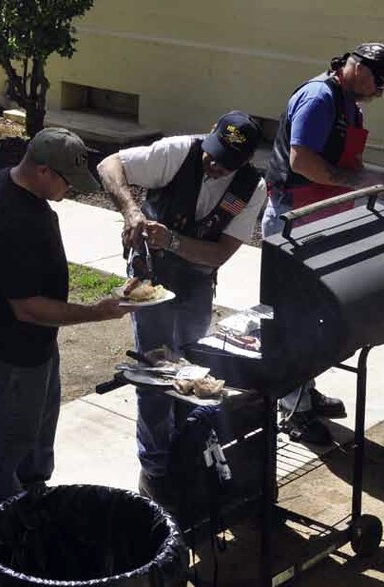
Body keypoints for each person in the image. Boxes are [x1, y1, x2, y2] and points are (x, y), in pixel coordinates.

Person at [97, 110, 268, 504]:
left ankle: (185, 453)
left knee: (191, 373)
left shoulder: (250, 187)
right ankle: (156, 470)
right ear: (209, 133)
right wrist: (132, 211)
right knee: (156, 376)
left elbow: (221, 253)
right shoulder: (178, 152)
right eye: (213, 152)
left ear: (243, 163)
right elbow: (110, 165)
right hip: (152, 281)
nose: (213, 164)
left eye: (225, 163)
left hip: (197, 282)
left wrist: (172, 241)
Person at [0, 127, 131, 512]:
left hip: (35, 343)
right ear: (42, 171)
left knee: (38, 424)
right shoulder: (15, 219)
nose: (70, 190)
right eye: (67, 181)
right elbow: (26, 307)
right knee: (9, 435)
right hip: (13, 348)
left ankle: (33, 491)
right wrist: (97, 312)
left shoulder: (5, 184)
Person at [262, 42, 384, 444]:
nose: (380, 90)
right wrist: (353, 183)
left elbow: (343, 161)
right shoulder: (320, 98)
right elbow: (301, 160)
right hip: (294, 216)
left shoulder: (349, 105)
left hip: (322, 212)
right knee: (294, 314)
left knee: (319, 311)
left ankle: (304, 388)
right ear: (358, 67)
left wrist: (365, 184)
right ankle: (292, 405)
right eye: (380, 80)